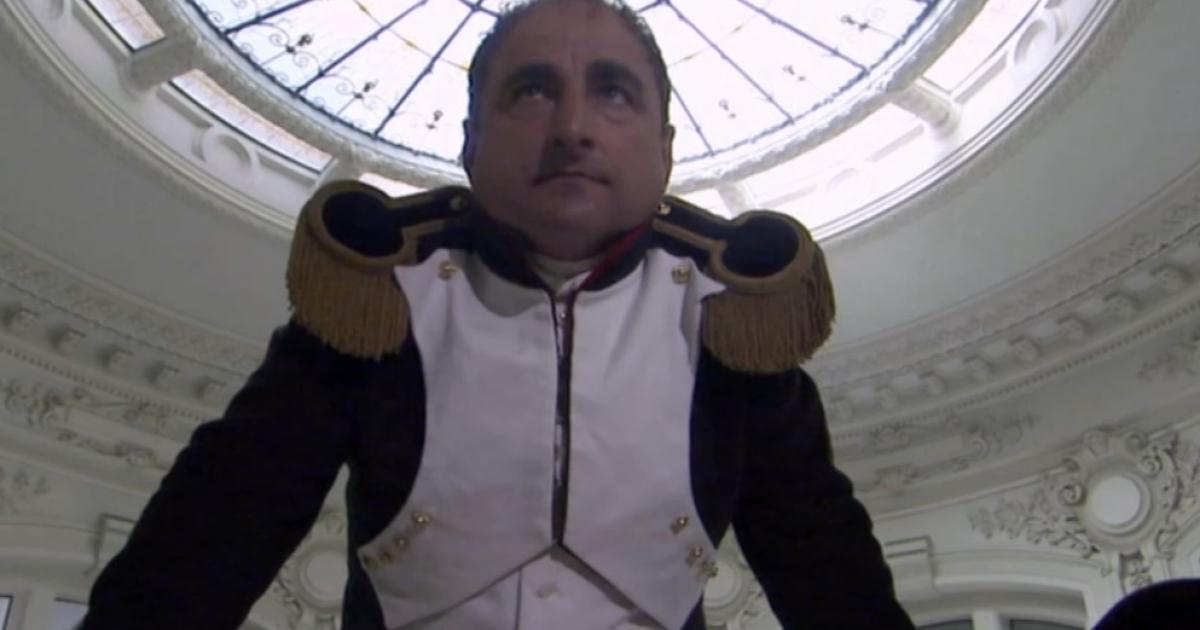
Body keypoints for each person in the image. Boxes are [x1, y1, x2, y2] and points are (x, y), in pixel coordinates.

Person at [81, 0, 914, 628]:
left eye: (613, 92)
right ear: (471, 143)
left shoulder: (736, 317)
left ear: (665, 150)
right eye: (532, 91)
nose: (574, 127)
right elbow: (207, 540)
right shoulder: (373, 294)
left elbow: (829, 573)